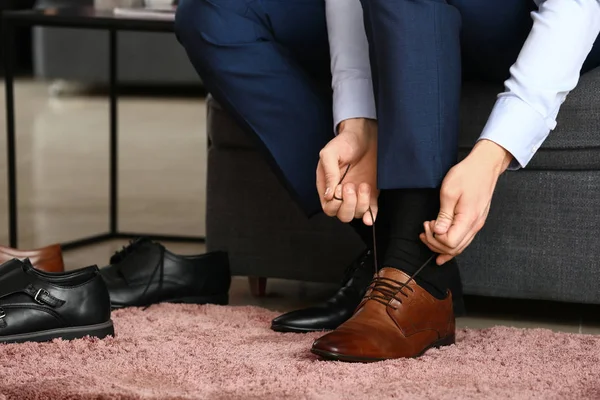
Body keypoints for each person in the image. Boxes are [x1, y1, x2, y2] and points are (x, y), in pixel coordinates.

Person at [175, 0, 600, 362]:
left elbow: (575, 7)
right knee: (214, 14)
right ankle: (393, 246)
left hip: (527, 15)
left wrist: (493, 154)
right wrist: (358, 121)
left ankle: (415, 275)